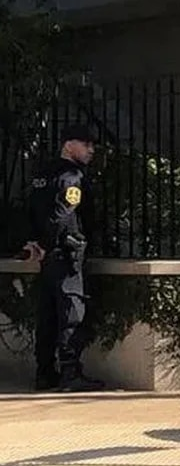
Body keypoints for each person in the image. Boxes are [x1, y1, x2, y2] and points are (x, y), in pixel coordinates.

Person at [26, 124, 103, 392]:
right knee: (72, 312)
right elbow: (62, 215)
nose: (91, 150)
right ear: (69, 145)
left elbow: (31, 209)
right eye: (86, 144)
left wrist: (34, 242)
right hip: (65, 254)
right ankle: (70, 373)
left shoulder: (43, 174)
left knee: (47, 315)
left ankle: (45, 373)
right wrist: (45, 243)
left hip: (47, 256)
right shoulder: (72, 177)